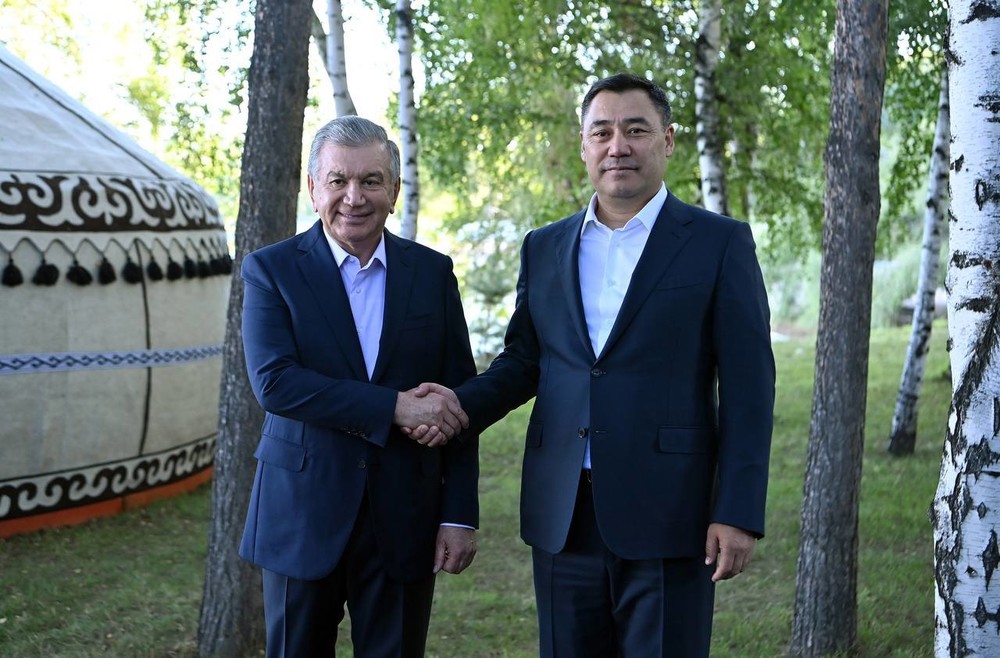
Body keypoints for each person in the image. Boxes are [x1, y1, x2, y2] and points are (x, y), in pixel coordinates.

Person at [411, 73, 775, 657]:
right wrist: (455, 406)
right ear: (583, 145)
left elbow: (749, 389)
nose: (617, 146)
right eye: (601, 132)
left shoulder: (719, 243)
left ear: (668, 140)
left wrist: (737, 512)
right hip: (563, 513)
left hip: (670, 511)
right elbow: (526, 361)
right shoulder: (544, 246)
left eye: (636, 130)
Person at [239, 115, 480, 657]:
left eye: (371, 180)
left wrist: (459, 514)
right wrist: (393, 407)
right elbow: (275, 383)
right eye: (338, 180)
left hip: (406, 515)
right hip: (301, 515)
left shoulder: (432, 274)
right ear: (313, 188)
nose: (354, 197)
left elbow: (458, 402)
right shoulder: (270, 270)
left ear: (394, 190)